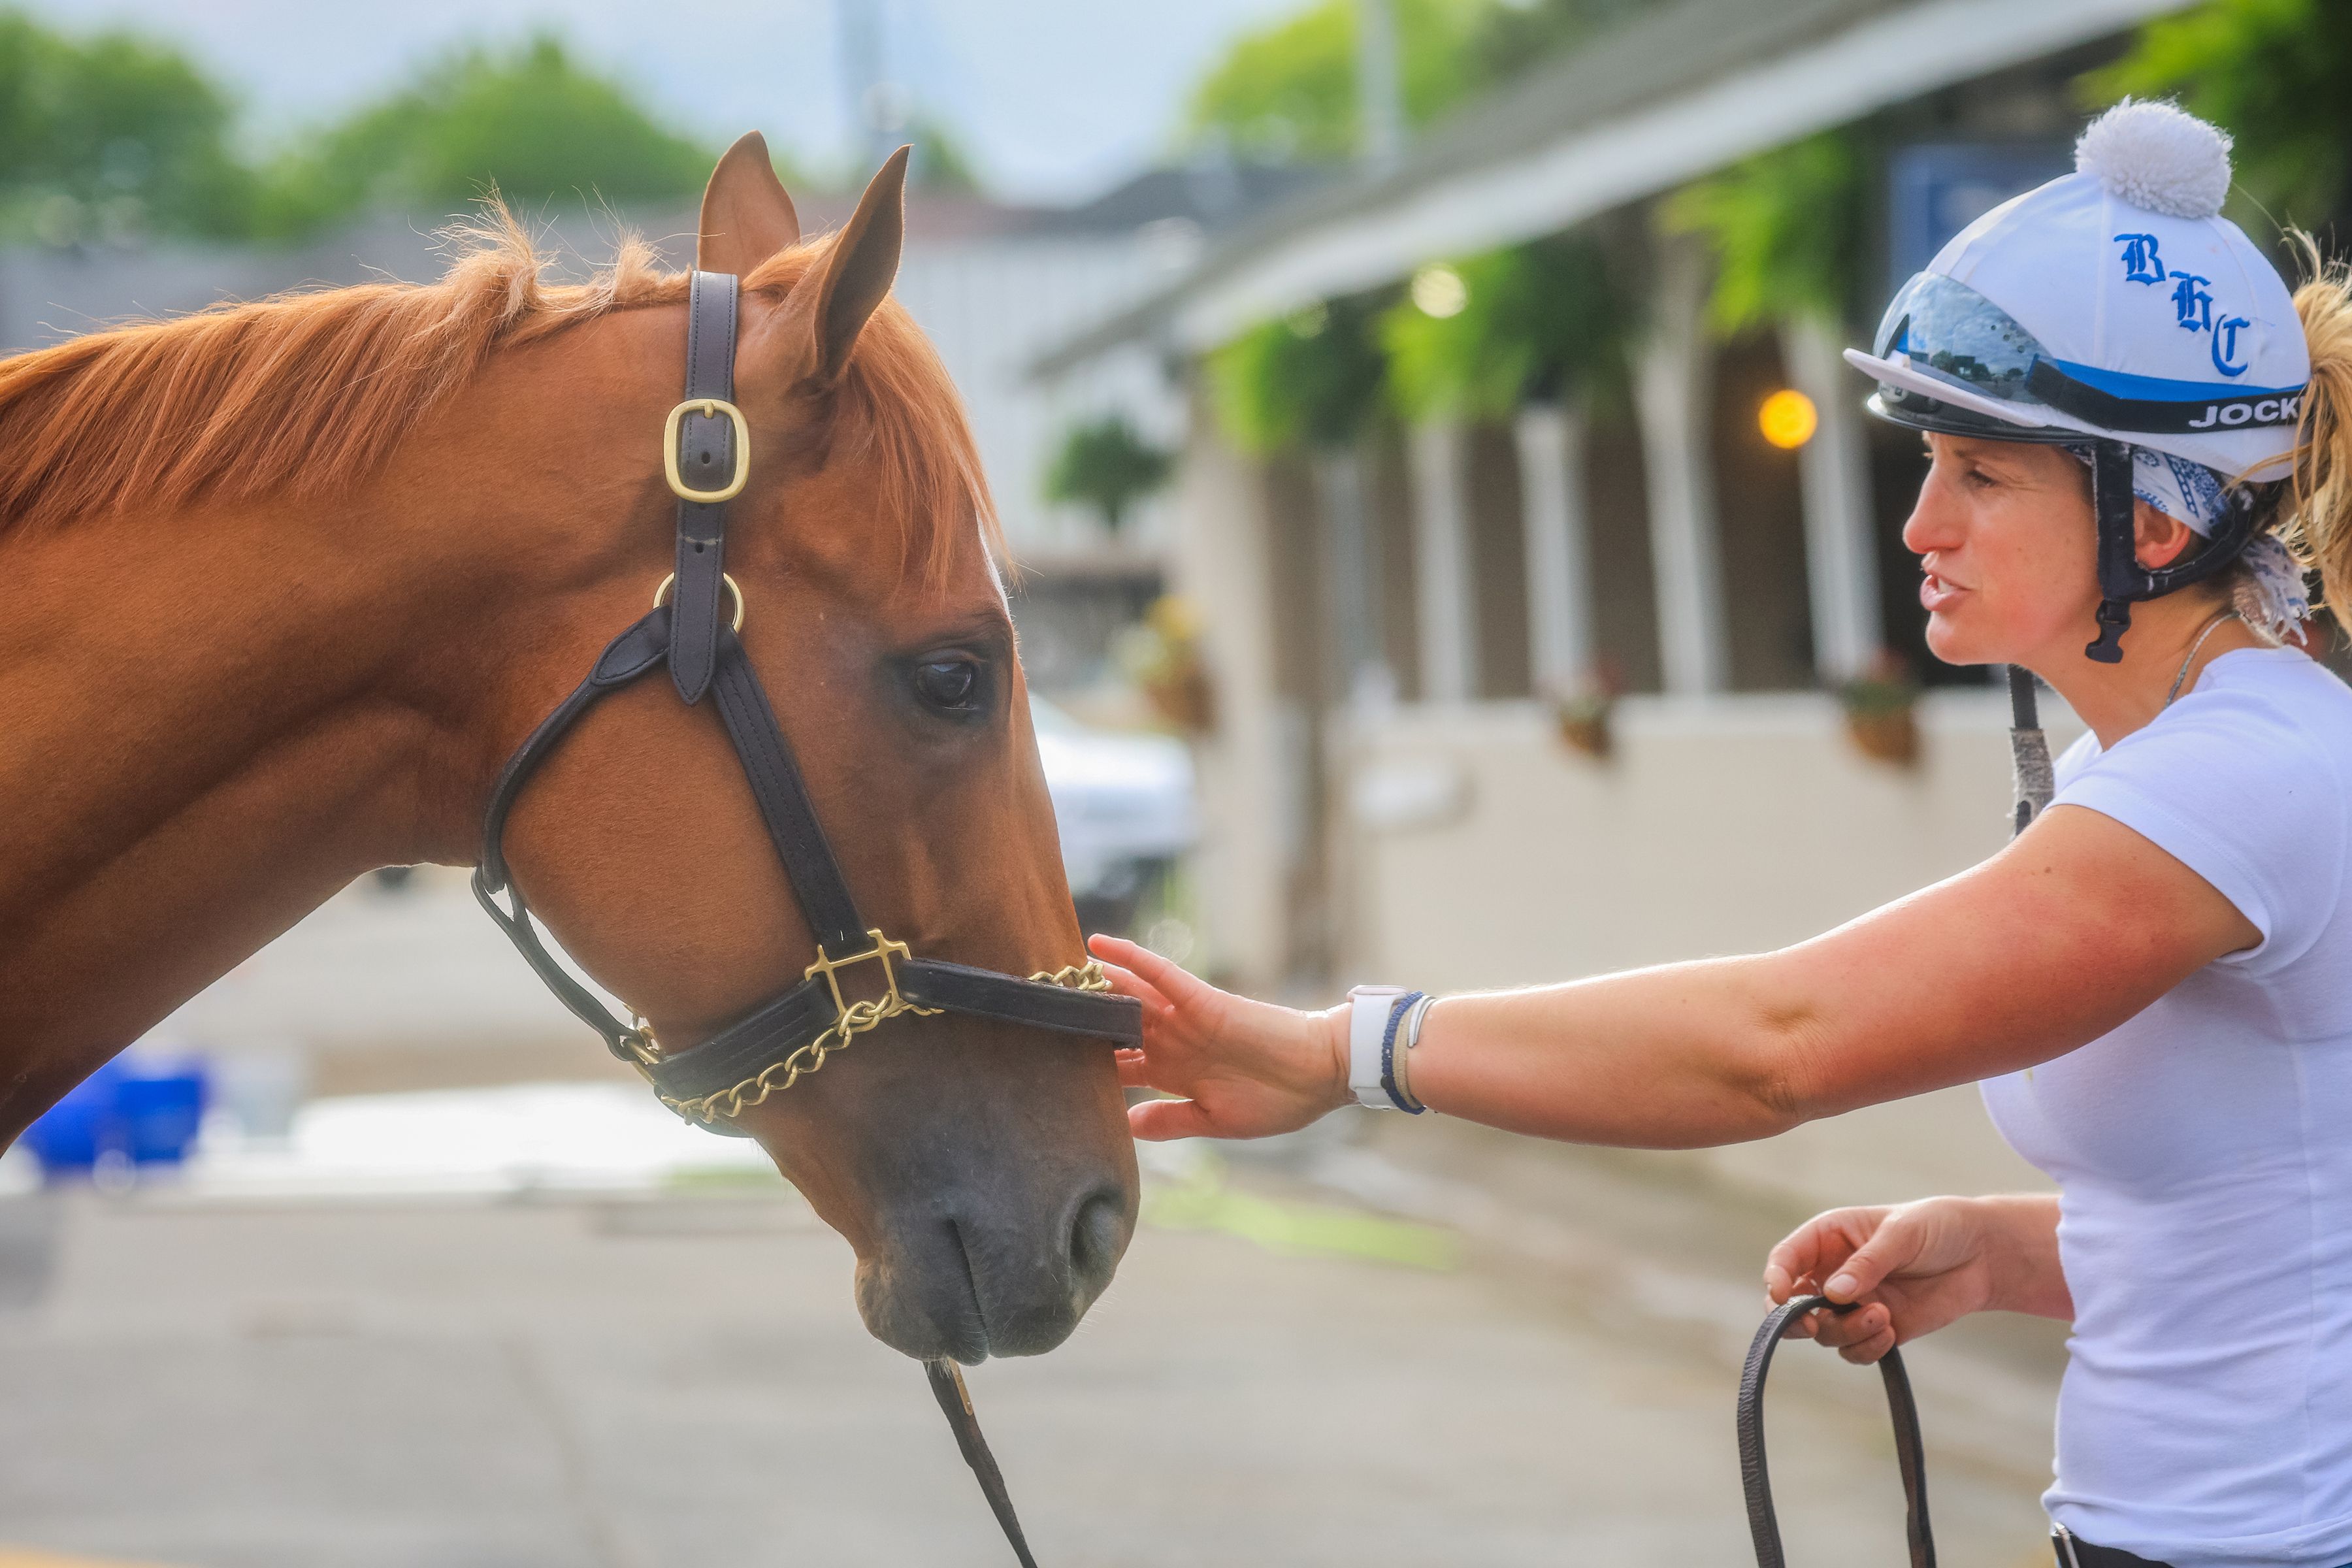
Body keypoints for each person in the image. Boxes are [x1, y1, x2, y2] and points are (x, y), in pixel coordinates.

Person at [1088, 101, 2352, 1568]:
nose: (1919, 526)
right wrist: (1995, 1248)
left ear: (2154, 523)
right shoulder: (2164, 761)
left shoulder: (2247, 779)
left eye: (1982, 476)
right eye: (1929, 463)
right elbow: (2282, 1213)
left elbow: (1777, 1045)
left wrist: (1336, 1053)